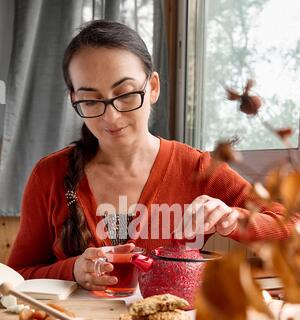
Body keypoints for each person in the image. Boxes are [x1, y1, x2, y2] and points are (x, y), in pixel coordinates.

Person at [7, 20, 297, 291]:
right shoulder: (50, 174)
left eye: (126, 94)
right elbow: (18, 274)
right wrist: (72, 270)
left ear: (153, 87)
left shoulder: (198, 168)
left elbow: (291, 226)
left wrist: (234, 219)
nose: (112, 116)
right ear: (74, 99)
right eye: (92, 100)